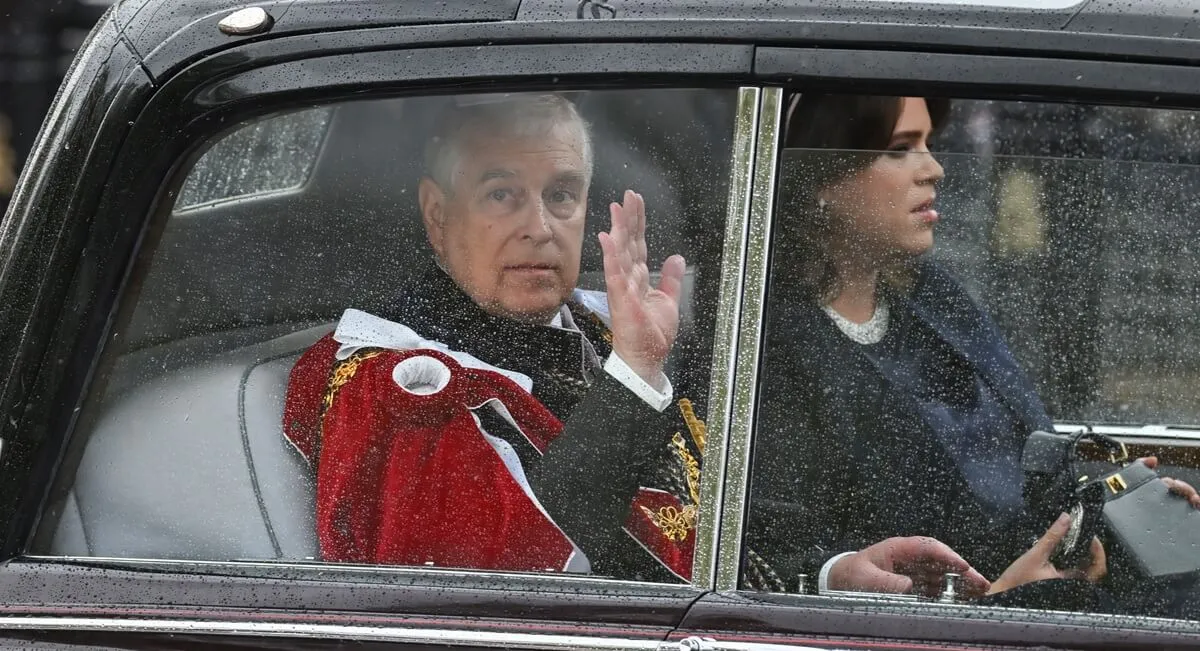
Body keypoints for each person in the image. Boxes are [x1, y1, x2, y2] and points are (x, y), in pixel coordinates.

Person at [744, 93, 1200, 614]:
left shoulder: (935, 299)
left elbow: (1024, 461)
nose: (934, 169)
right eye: (900, 149)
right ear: (826, 177)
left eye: (930, 146)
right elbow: (774, 555)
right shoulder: (767, 340)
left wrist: (1104, 505)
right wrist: (1006, 600)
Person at [282, 93, 704, 582]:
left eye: (561, 195)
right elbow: (502, 588)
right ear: (438, 215)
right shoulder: (400, 387)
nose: (540, 229)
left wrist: (813, 575)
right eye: (502, 194)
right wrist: (633, 375)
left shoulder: (599, 325)